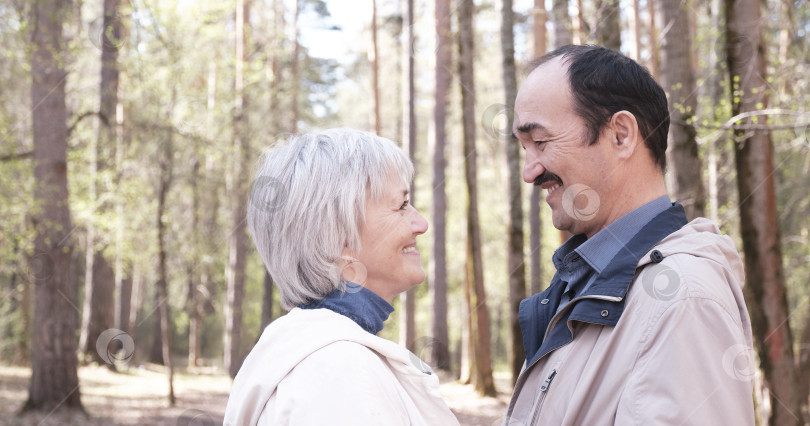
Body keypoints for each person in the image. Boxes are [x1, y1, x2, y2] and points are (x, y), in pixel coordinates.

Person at [505, 45, 755, 425]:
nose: (530, 172)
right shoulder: (589, 286)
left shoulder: (681, 298)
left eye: (540, 142)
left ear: (621, 135)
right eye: (524, 148)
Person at [224, 128, 459, 426]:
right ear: (338, 240)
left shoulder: (311, 351)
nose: (421, 223)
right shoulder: (340, 371)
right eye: (401, 205)